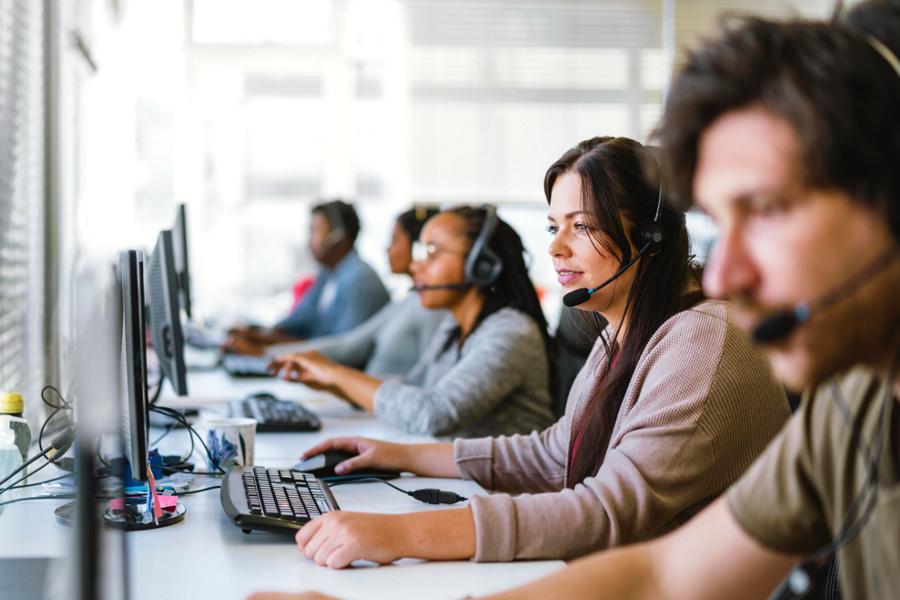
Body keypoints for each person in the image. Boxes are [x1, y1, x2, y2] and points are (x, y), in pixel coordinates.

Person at [427, 15, 899, 600]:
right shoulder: (851, 406)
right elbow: (664, 573)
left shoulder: (708, 338)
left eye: (769, 209)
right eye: (723, 223)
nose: (724, 273)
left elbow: (613, 518)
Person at [258, 137, 789, 575]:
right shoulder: (624, 333)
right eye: (553, 227)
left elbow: (607, 510)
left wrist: (398, 534)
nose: (557, 247)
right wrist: (400, 454)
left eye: (581, 226)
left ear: (650, 237)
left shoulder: (703, 340)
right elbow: (554, 456)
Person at [271, 205, 556, 438]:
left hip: (503, 496)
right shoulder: (455, 327)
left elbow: (433, 414)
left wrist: (336, 374)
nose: (416, 265)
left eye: (432, 253)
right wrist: (329, 382)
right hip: (463, 484)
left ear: (482, 265)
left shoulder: (510, 332)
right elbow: (413, 385)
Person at [265, 207, 445, 378]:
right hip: (369, 399)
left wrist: (268, 352)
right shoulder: (408, 300)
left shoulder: (362, 280)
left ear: (418, 249)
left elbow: (348, 350)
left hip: (373, 402)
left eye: (394, 240)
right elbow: (303, 324)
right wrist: (268, 348)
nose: (387, 248)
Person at [224, 200, 390, 354]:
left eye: (314, 231)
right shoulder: (328, 273)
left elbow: (341, 350)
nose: (308, 241)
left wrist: (263, 351)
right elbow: (295, 324)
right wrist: (253, 334)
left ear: (338, 236)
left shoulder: (359, 280)